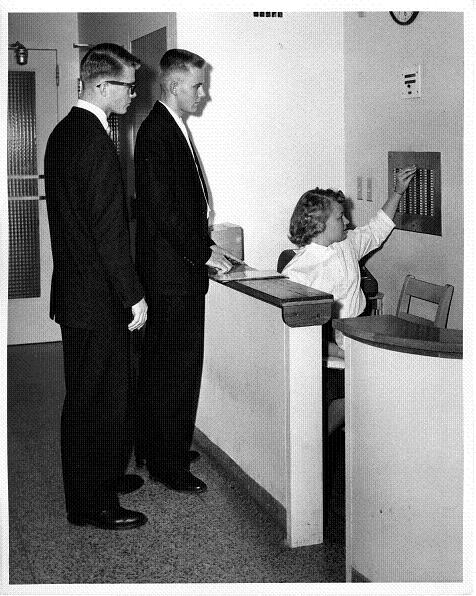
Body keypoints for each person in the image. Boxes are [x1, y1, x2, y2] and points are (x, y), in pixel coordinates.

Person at [44, 43, 148, 530]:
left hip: (77, 292)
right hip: (100, 295)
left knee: (87, 397)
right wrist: (134, 295)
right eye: (128, 86)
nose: (132, 94)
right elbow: (108, 231)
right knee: (100, 400)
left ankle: (97, 481)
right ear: (102, 86)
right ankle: (92, 504)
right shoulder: (95, 140)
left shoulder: (64, 132)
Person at [134, 49, 234, 493]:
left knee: (166, 368)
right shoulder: (159, 131)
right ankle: (168, 463)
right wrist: (203, 254)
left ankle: (162, 447)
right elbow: (164, 212)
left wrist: (208, 246)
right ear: (174, 87)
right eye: (197, 85)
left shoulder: (167, 127)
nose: (204, 93)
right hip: (173, 275)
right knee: (176, 370)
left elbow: (179, 208)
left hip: (174, 271)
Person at [283, 166, 416, 433]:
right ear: (319, 225)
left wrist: (397, 192)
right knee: (374, 393)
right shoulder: (297, 273)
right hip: (329, 352)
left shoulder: (345, 244)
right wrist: (350, 355)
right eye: (341, 217)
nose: (347, 223)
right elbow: (305, 338)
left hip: (359, 335)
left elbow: (376, 230)